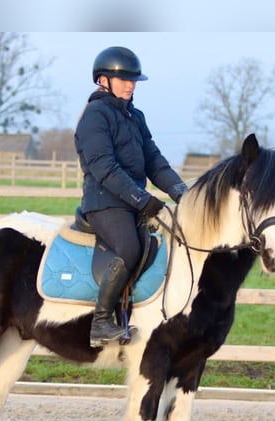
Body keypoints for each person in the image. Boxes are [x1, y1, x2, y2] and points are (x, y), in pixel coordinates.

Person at [74, 46, 188, 347]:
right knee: (129, 248)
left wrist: (182, 192)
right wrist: (142, 199)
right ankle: (100, 323)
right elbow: (104, 168)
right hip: (105, 202)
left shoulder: (136, 117)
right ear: (102, 80)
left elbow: (154, 161)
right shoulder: (94, 117)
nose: (130, 84)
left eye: (133, 80)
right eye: (122, 79)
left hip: (131, 202)